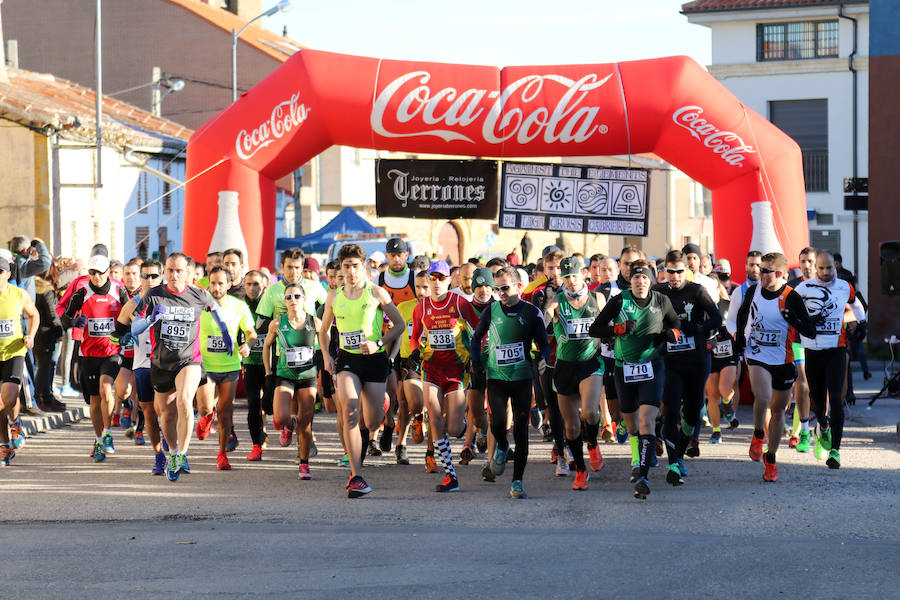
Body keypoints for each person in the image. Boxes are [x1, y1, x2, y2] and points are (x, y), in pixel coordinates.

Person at [127, 253, 233, 482]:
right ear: (165, 271)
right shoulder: (154, 295)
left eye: (178, 271)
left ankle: (183, 454)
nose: (174, 275)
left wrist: (225, 333)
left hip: (189, 359)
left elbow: (214, 308)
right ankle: (173, 453)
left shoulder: (198, 294)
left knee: (185, 400)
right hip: (161, 363)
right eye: (170, 270)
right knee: (165, 413)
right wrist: (148, 320)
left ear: (187, 273)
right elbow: (134, 327)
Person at [318, 243, 404, 498]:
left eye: (356, 266)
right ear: (340, 268)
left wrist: (378, 343)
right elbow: (323, 331)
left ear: (364, 266)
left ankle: (383, 405)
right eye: (346, 266)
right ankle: (356, 476)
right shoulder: (334, 296)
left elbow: (399, 325)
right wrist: (326, 355)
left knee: (373, 421)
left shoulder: (377, 293)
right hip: (347, 360)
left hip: (375, 359)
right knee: (350, 412)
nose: (352, 271)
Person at [589, 260, 681, 499]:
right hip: (624, 368)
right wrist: (617, 330)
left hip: (652, 366)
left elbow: (676, 323)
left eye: (644, 278)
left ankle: (642, 475)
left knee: (646, 420)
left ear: (651, 281)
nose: (640, 282)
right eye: (636, 278)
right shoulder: (619, 301)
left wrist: (673, 333)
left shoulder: (661, 301)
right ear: (629, 281)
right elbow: (595, 329)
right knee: (631, 425)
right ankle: (637, 456)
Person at [735, 252, 818, 482]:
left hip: (783, 359)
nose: (759, 274)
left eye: (765, 271)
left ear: (779, 274)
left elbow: (810, 330)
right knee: (762, 398)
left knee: (779, 409)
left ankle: (771, 459)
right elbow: (743, 315)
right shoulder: (753, 291)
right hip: (758, 354)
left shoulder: (791, 297)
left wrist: (794, 320)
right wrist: (741, 340)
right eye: (759, 269)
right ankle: (758, 434)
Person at [470, 266, 551, 499]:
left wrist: (543, 356)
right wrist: (476, 363)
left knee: (521, 431)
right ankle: (503, 447)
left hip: (522, 378)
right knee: (496, 425)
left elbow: (543, 342)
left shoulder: (532, 312)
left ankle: (517, 481)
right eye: (497, 289)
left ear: (518, 287)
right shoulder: (491, 310)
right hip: (496, 377)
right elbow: (476, 340)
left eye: (504, 288)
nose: (500, 293)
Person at [408, 260, 480, 493]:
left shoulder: (459, 303)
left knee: (453, 428)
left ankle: (465, 425)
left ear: (450, 280)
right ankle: (451, 475)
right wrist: (415, 352)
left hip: (456, 371)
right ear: (427, 281)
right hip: (431, 369)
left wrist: (476, 356)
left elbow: (479, 328)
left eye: (441, 278)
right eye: (433, 278)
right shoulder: (422, 307)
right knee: (434, 417)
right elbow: (415, 337)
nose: (437, 282)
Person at [653, 250, 721, 482]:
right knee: (671, 411)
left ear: (687, 271)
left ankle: (679, 453)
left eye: (679, 271)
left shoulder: (697, 291)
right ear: (664, 272)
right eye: (669, 272)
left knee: (692, 414)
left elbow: (717, 318)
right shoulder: (658, 292)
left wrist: (700, 328)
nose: (674, 276)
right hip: (670, 362)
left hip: (696, 361)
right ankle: (673, 463)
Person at [794, 251, 865, 469]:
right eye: (822, 268)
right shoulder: (803, 289)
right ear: (816, 268)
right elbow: (789, 311)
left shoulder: (845, 286)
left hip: (836, 349)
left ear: (835, 267)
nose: (826, 272)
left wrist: (861, 324)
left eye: (830, 268)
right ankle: (822, 425)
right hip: (813, 351)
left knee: (835, 397)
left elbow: (857, 306)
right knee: (816, 400)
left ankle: (835, 451)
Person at [543, 256, 607, 490]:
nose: (571, 281)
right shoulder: (557, 301)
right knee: (571, 427)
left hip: (591, 363)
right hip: (565, 367)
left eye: (574, 275)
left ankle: (592, 443)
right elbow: (544, 320)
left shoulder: (597, 298)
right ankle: (580, 470)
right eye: (566, 276)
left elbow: (610, 322)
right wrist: (545, 320)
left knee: (590, 411)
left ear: (584, 275)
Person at [61, 254, 129, 462]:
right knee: (94, 402)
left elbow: (131, 313)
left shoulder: (119, 290)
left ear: (108, 272)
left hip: (112, 352)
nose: (96, 276)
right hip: (88, 353)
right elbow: (65, 318)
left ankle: (108, 434)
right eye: (92, 272)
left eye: (100, 272)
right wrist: (75, 322)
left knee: (106, 388)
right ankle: (99, 440)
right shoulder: (82, 292)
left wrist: (125, 331)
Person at [195, 267, 257, 471]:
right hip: (205, 364)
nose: (216, 287)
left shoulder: (239, 306)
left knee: (225, 411)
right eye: (213, 283)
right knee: (205, 407)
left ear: (229, 285)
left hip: (230, 365)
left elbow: (251, 333)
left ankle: (222, 454)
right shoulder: (201, 305)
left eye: (221, 283)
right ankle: (206, 416)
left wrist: (247, 345)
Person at [114, 260, 166, 474]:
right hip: (143, 365)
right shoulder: (132, 305)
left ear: (161, 277)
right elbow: (115, 335)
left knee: (169, 411)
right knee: (150, 413)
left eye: (154, 276)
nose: (149, 280)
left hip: (169, 364)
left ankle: (177, 452)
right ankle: (159, 456)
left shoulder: (174, 301)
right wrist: (123, 338)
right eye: (145, 276)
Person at [263, 282, 320, 479]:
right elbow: (267, 346)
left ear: (304, 299)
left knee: (306, 424)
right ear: (284, 301)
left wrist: (326, 368)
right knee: (279, 418)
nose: (292, 300)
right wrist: (268, 372)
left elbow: (325, 344)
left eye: (297, 296)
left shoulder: (314, 322)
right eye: (288, 297)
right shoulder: (278, 323)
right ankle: (289, 424)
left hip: (307, 377)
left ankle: (304, 464)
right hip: (285, 375)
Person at [522, 246, 568, 476]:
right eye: (551, 268)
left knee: (571, 408)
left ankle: (567, 448)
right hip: (546, 355)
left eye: (559, 267)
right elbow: (538, 325)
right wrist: (550, 308)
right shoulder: (539, 292)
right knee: (551, 405)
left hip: (572, 357)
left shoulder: (575, 289)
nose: (556, 272)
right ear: (544, 270)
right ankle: (560, 450)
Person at [376, 238, 417, 456]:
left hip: (410, 346)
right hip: (387, 342)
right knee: (387, 393)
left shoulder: (414, 278)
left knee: (404, 399)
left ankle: (401, 444)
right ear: (386, 256)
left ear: (406, 255)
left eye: (400, 255)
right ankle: (388, 423)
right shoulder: (379, 278)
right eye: (392, 255)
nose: (396, 259)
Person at [0, 256, 39, 466]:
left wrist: (31, 335)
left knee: (9, 395)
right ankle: (5, 446)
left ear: (7, 274)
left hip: (15, 351)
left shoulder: (18, 294)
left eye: (0, 272)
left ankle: (15, 423)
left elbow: (34, 315)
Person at [390, 271, 430, 466]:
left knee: (429, 404)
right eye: (418, 287)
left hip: (434, 360)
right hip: (408, 360)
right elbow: (397, 334)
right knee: (407, 403)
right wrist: (391, 360)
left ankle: (431, 450)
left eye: (425, 287)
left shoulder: (441, 307)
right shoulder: (404, 307)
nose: (421, 292)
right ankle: (401, 444)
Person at [459, 267, 493, 464]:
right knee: (477, 413)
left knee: (498, 407)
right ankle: (482, 432)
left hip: (496, 364)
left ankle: (498, 446)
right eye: (479, 286)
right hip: (475, 363)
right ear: (473, 288)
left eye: (487, 285)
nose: (483, 290)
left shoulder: (498, 306)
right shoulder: (464, 308)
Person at [785, 247, 817, 451]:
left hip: (822, 343)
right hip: (798, 341)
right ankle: (802, 431)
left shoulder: (826, 285)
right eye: (802, 261)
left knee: (820, 387)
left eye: (810, 261)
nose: (806, 266)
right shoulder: (793, 288)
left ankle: (822, 424)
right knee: (802, 384)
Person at [241, 270, 271, 462]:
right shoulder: (239, 305)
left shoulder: (272, 303)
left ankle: (284, 421)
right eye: (249, 284)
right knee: (253, 403)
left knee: (270, 405)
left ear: (264, 285)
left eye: (256, 284)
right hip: (250, 363)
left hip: (270, 364)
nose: (253, 288)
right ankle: (256, 444)